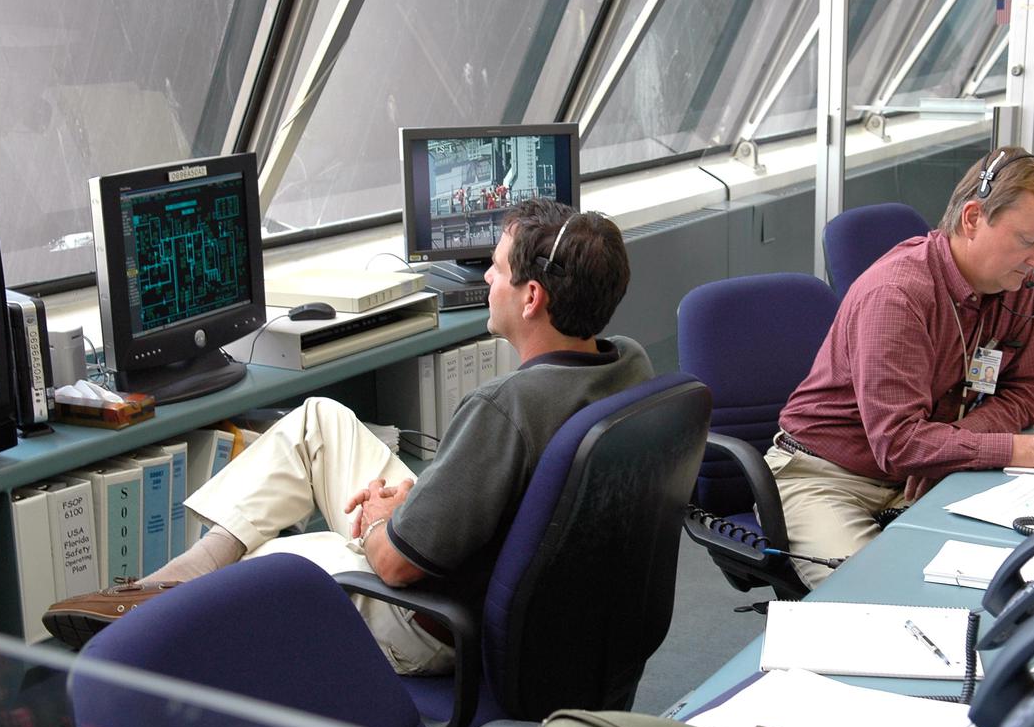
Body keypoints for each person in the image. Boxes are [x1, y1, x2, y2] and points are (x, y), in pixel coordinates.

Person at [44, 200, 651, 673]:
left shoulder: (506, 408)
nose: (488, 275)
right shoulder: (627, 364)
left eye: (496, 267)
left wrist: (389, 520)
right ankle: (169, 584)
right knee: (318, 420)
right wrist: (412, 503)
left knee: (271, 556)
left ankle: (156, 623)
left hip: (431, 623)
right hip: (507, 583)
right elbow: (494, 498)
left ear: (532, 298)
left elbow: (392, 563)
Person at [770, 148, 1034, 588]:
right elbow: (900, 443)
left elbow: (1031, 386)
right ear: (972, 219)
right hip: (826, 476)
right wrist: (1026, 450)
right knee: (880, 596)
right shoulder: (898, 296)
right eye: (1028, 241)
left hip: (926, 465)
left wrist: (949, 448)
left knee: (1009, 571)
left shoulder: (1012, 281)